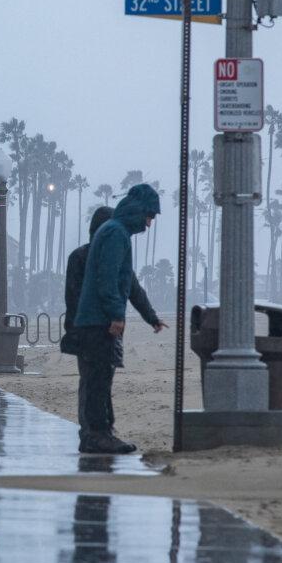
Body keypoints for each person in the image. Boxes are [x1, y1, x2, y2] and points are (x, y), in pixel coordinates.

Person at [73, 184, 168, 454]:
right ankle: (98, 435)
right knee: (99, 379)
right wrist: (116, 315)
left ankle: (98, 433)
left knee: (98, 378)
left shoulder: (114, 231)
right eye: (149, 217)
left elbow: (130, 284)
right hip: (99, 323)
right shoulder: (116, 234)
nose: (149, 224)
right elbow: (109, 279)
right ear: (139, 210)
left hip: (94, 320)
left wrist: (151, 317)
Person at [61, 206, 116, 434]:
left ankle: (97, 426)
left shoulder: (79, 256)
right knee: (97, 380)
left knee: (94, 380)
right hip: (96, 330)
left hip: (88, 329)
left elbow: (71, 296)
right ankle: (95, 428)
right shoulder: (96, 257)